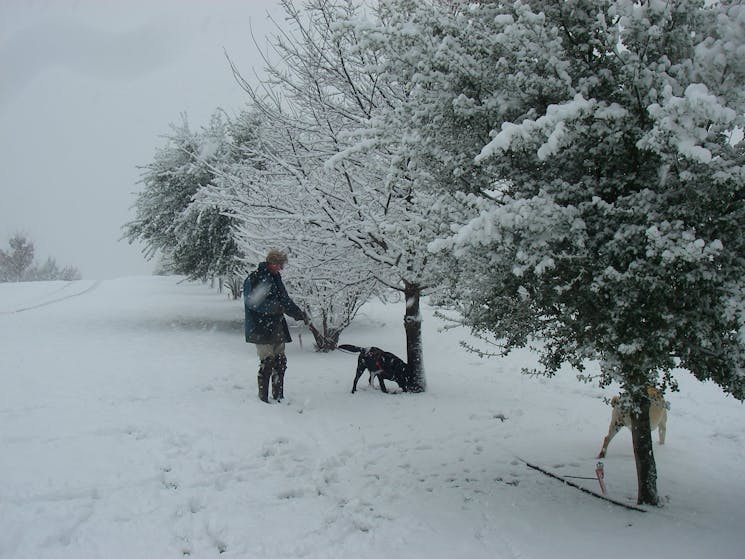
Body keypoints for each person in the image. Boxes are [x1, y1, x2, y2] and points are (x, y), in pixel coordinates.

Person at [243, 249, 308, 403]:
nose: (281, 268)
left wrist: (298, 313)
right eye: (280, 265)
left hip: (276, 325)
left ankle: (278, 396)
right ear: (272, 263)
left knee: (280, 362)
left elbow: (284, 300)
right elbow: (252, 302)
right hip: (260, 327)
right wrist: (275, 307)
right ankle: (263, 398)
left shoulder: (276, 278)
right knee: (267, 362)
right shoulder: (256, 278)